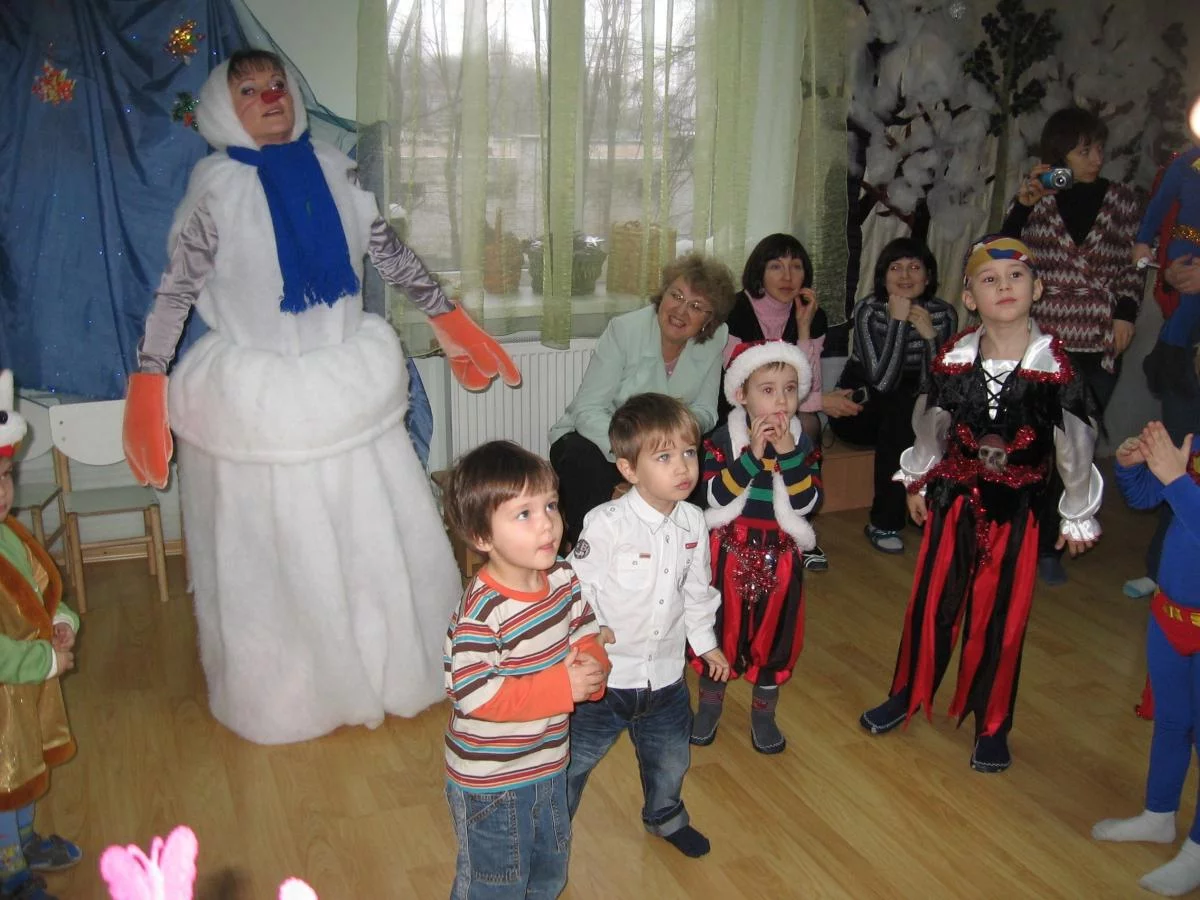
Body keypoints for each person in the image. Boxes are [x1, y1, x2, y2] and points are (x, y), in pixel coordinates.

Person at [121, 50, 519, 744]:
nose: (270, 97)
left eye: (277, 84)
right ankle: (292, 691)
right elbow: (176, 291)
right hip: (262, 409)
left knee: (373, 541)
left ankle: (394, 667)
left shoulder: (337, 172)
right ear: (222, 111)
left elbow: (389, 255)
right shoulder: (216, 194)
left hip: (343, 390)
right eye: (249, 90)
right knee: (279, 557)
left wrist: (449, 318)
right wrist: (149, 379)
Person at [858, 236, 1103, 773]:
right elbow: (931, 425)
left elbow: (1076, 446)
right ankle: (907, 692)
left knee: (1001, 616)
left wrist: (1078, 511)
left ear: (1037, 288)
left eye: (1016, 277)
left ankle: (992, 724)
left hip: (1017, 507)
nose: (1004, 287)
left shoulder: (1056, 368)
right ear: (970, 297)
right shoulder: (953, 360)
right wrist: (918, 480)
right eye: (989, 280)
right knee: (932, 602)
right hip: (954, 498)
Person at [441, 441, 609, 900]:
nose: (547, 523)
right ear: (481, 536)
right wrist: (562, 686)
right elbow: (474, 694)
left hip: (549, 762)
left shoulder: (562, 577)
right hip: (491, 782)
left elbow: (584, 629)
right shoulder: (482, 613)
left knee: (549, 872)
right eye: (524, 514)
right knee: (495, 885)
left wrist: (592, 666)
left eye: (550, 505)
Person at [565, 393, 728, 859]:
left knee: (671, 759)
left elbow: (697, 591)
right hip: (607, 678)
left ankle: (665, 817)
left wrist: (706, 643)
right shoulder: (607, 523)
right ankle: (552, 830)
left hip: (666, 678)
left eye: (689, 453)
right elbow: (578, 585)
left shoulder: (694, 522)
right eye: (664, 457)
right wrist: (591, 627)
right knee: (574, 763)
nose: (683, 467)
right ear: (629, 469)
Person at [1000, 106, 1141, 586]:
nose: (1096, 158)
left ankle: (1053, 544)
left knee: (1077, 445)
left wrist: (1126, 312)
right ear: (1059, 154)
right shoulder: (1039, 195)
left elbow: (1132, 266)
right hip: (1045, 335)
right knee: (1034, 440)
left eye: (1099, 148)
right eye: (1084, 151)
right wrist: (1023, 204)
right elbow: (1002, 253)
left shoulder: (1121, 200)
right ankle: (1019, 535)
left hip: (1099, 335)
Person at [549, 254, 735, 548]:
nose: (680, 310)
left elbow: (706, 411)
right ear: (663, 294)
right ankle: (592, 554)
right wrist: (641, 452)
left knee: (701, 466)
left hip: (667, 446)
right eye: (676, 295)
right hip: (602, 439)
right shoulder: (625, 330)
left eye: (696, 306)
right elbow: (587, 409)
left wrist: (671, 439)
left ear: (709, 321)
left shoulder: (716, 338)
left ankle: (681, 554)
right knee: (581, 463)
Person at [690, 341, 822, 754]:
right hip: (727, 553)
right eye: (768, 390)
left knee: (775, 636)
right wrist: (752, 455)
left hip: (780, 557)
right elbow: (715, 497)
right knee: (719, 630)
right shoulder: (721, 440)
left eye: (789, 389)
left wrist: (788, 455)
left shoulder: (801, 443)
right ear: (741, 395)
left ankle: (763, 714)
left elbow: (808, 503)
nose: (781, 400)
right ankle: (710, 706)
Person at [1093, 422, 1200, 898]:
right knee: (1172, 722)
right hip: (1169, 616)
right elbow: (1146, 499)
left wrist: (1175, 478)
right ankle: (1159, 815)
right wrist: (1133, 467)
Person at [719, 233, 860, 572]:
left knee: (806, 425)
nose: (787, 276)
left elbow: (808, 387)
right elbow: (737, 378)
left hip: (787, 405)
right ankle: (740, 521)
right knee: (799, 419)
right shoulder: (736, 310)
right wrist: (822, 402)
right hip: (740, 405)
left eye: (796, 266)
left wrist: (804, 328)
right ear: (759, 271)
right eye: (776, 266)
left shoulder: (812, 314)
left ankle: (798, 526)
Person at [0, 372, 82, 900]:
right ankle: (9, 873)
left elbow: (43, 592)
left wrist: (62, 623)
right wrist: (44, 663)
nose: (1, 491)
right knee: (4, 782)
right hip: (9, 690)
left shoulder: (10, 535)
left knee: (25, 768)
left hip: (23, 692)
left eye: (5, 475)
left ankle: (24, 843)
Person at [828, 237, 958, 555]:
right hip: (860, 411)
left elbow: (939, 385)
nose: (905, 275)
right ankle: (884, 521)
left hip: (915, 403)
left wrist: (931, 339)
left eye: (914, 267)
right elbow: (882, 382)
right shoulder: (869, 311)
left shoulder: (943, 314)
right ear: (883, 276)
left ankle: (929, 508)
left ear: (928, 276)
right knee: (901, 406)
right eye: (895, 267)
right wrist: (898, 322)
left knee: (936, 411)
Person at [1134, 141, 1200, 394]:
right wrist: (1142, 240)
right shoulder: (1186, 163)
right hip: (1186, 246)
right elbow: (1159, 204)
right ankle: (1170, 360)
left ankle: (1162, 357)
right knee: (1189, 303)